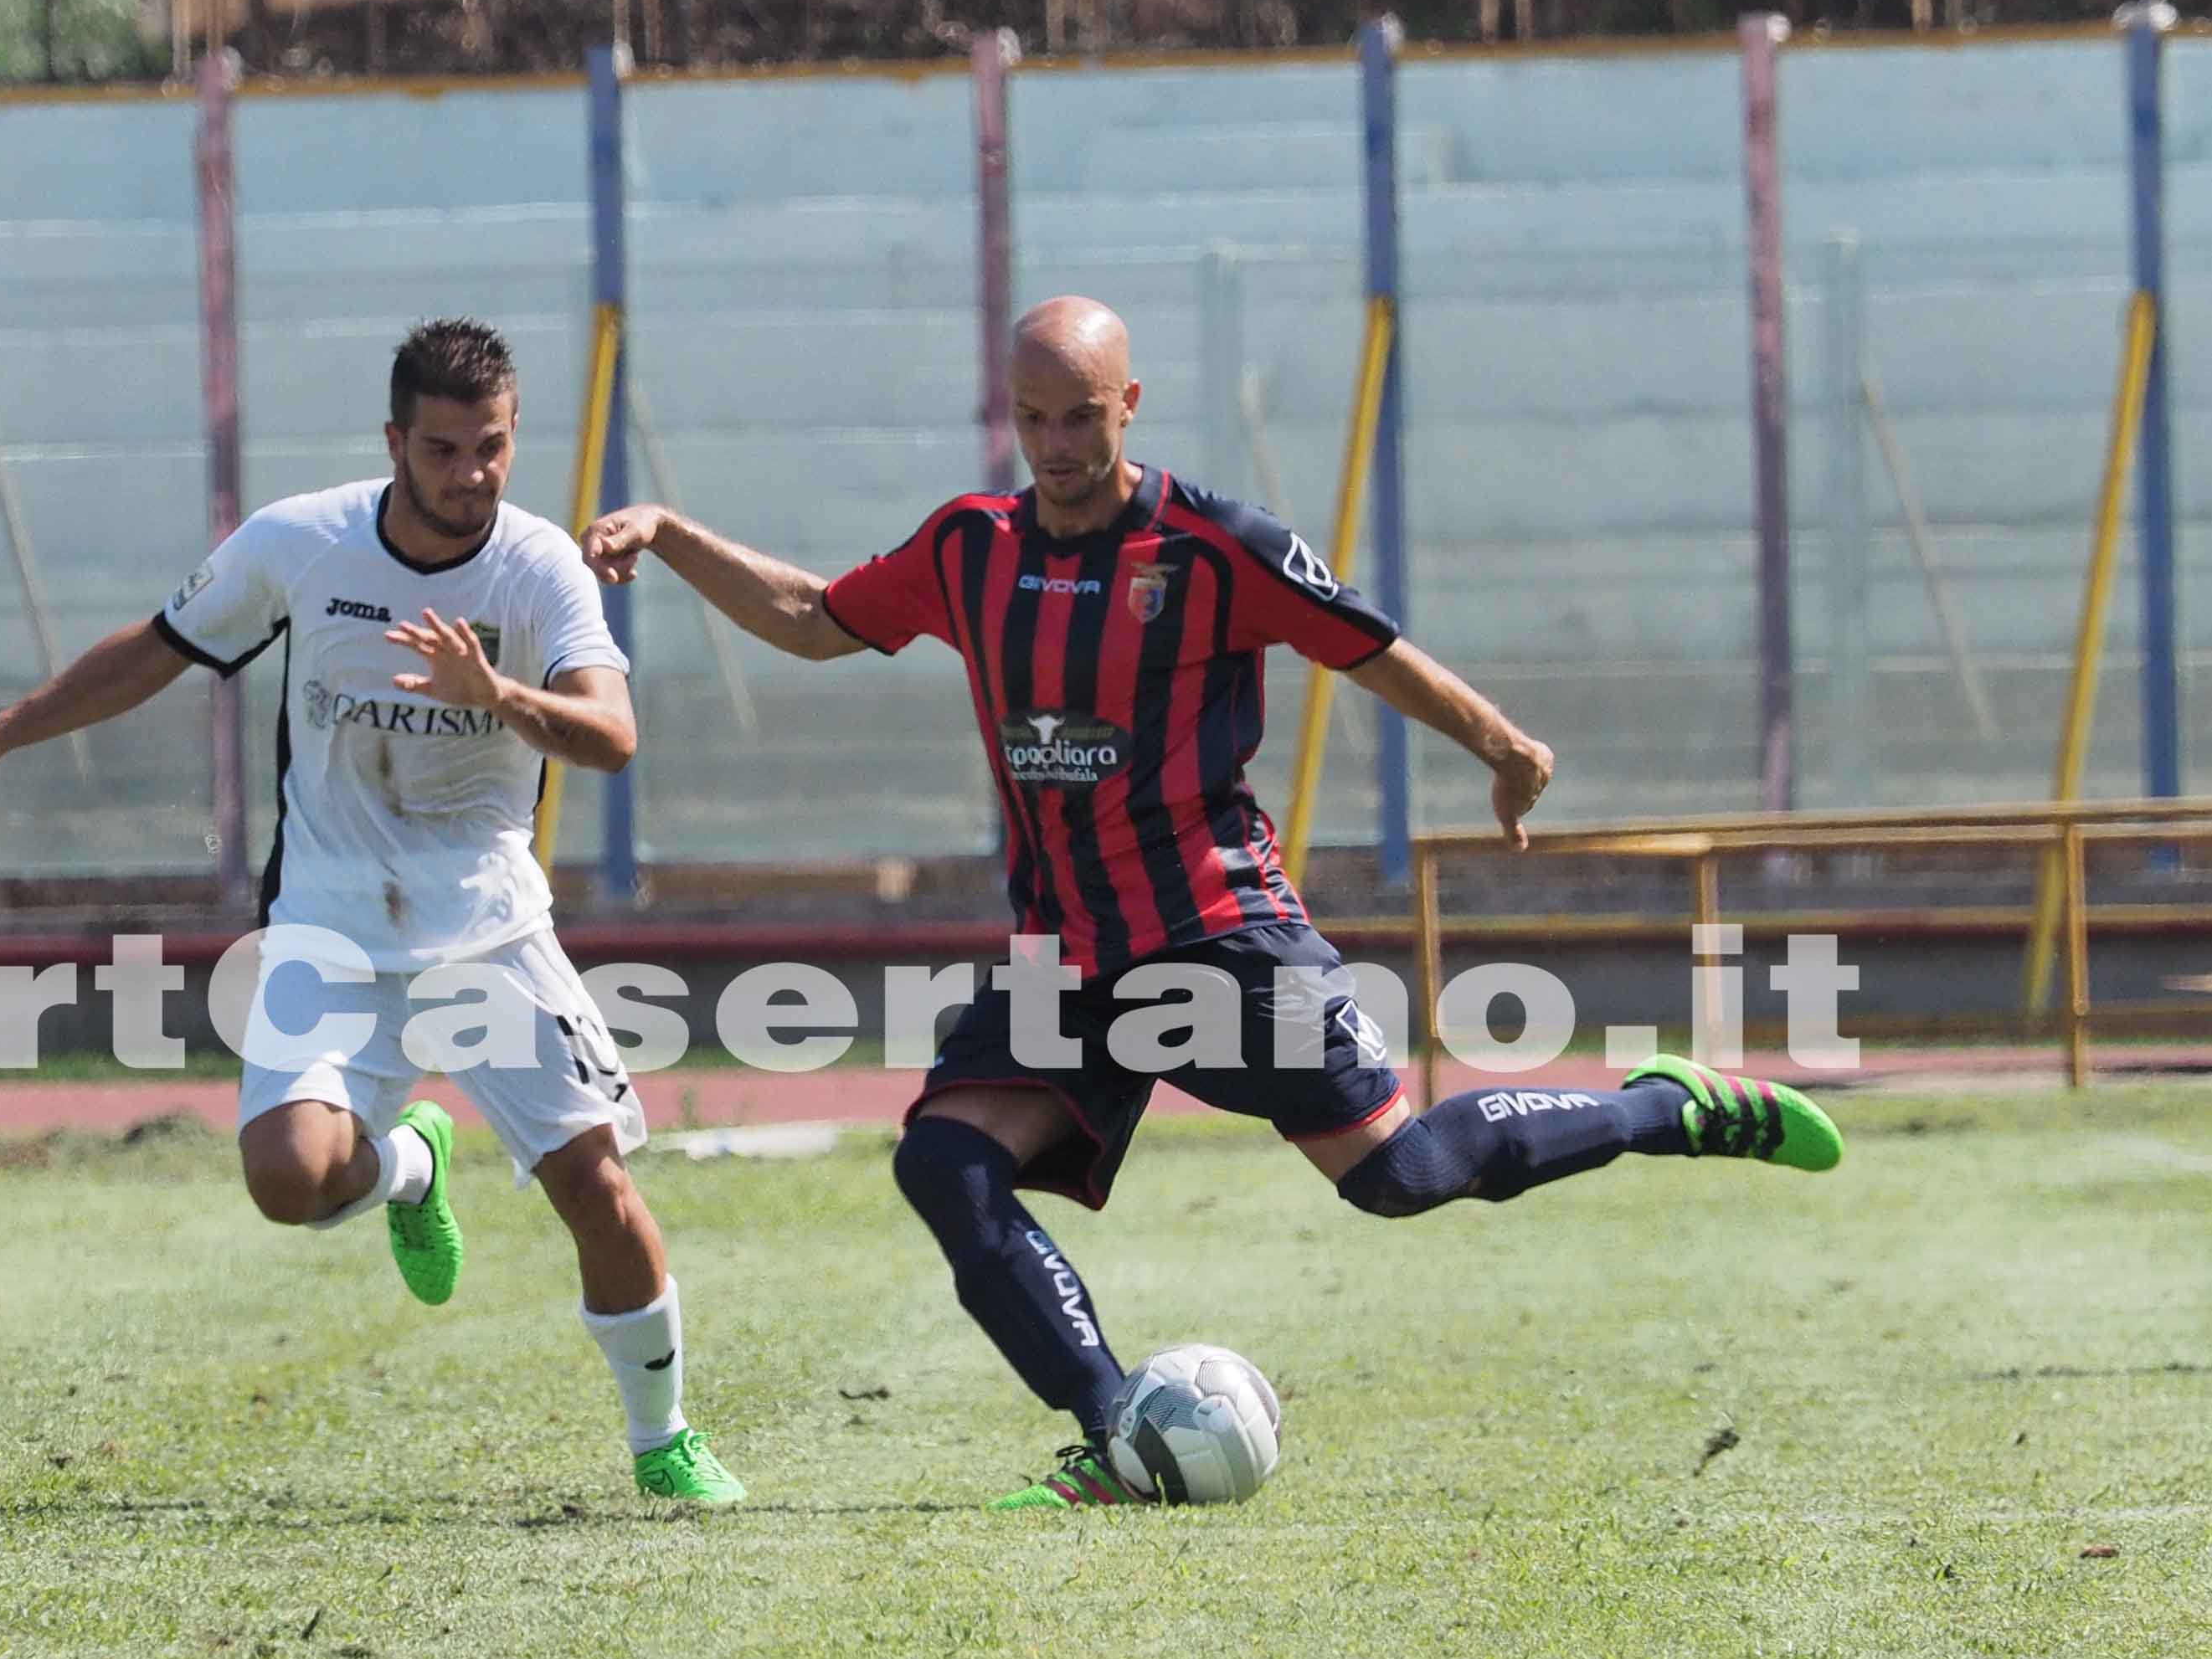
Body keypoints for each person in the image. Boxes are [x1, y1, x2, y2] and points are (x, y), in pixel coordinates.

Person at [583, 294, 1844, 1508]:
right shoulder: (971, 547)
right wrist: (676, 533)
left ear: (1128, 403)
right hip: (1068, 963)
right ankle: (1116, 1432)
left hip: (1220, 940)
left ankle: (1661, 1108)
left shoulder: (1214, 546)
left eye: (1081, 416)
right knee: (944, 1162)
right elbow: (814, 618)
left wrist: (1502, 747)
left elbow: (1367, 646)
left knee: (1398, 1174)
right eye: (1033, 420)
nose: (1058, 446)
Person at [0, 317, 743, 1505]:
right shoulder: (306, 543)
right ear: (394, 440)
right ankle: (407, 1166)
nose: (470, 475)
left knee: (592, 1188)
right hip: (329, 923)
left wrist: (493, 691)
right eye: (442, 450)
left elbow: (612, 735)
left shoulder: (537, 567)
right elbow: (160, 645)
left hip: (485, 927)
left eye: (490, 447)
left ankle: (664, 1440)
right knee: (287, 1180)